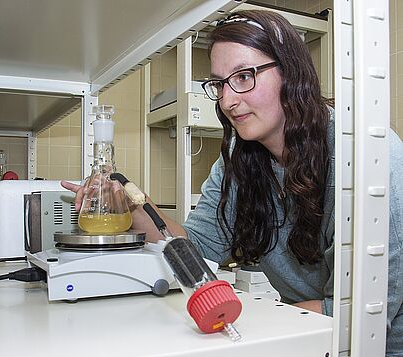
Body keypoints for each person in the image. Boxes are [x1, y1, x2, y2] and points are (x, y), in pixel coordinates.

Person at [62, 10, 402, 355]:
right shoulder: (242, 156)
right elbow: (197, 252)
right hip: (304, 334)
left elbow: (360, 313)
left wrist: (253, 326)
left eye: (244, 76)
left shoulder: (364, 154)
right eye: (220, 83)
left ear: (291, 73)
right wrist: (130, 206)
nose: (227, 100)